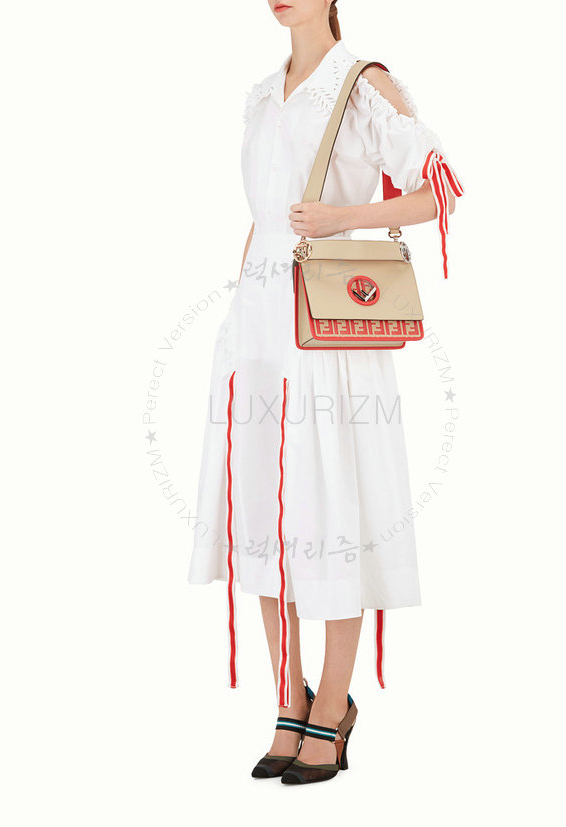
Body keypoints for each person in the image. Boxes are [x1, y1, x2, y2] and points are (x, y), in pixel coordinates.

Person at [188, 0, 463, 784]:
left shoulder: (362, 82)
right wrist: (234, 320)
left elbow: (440, 190)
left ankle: (334, 703)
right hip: (256, 328)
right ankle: (288, 697)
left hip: (327, 332)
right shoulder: (261, 94)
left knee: (333, 507)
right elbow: (262, 219)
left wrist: (342, 218)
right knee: (260, 513)